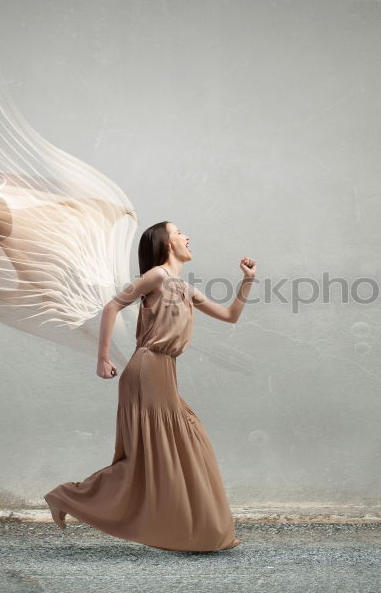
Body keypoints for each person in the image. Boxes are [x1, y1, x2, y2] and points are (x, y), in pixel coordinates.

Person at [44, 221, 256, 552]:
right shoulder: (157, 276)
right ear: (166, 243)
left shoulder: (185, 288)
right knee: (156, 458)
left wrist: (247, 281)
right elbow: (112, 306)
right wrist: (102, 358)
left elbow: (230, 315)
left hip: (164, 370)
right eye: (179, 232)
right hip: (147, 368)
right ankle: (67, 496)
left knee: (174, 452)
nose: (187, 236)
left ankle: (196, 531)